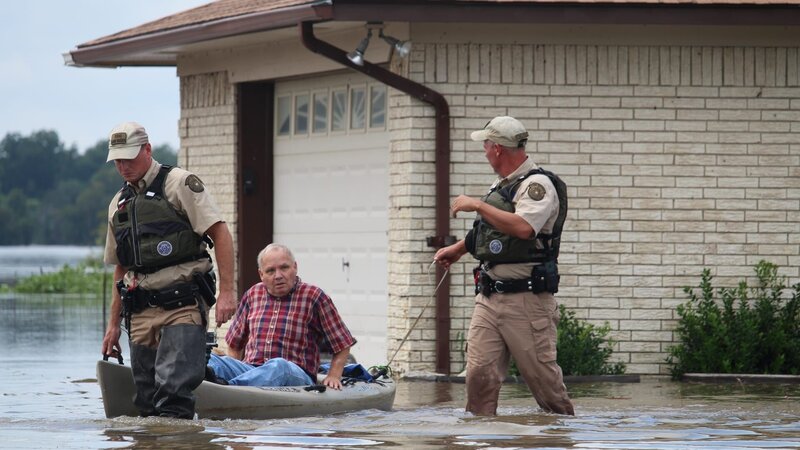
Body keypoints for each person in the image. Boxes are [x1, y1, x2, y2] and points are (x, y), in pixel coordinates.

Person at [434, 116, 575, 416]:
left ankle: (561, 435)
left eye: (485, 145)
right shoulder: (501, 185)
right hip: (488, 297)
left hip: (527, 301)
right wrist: (459, 249)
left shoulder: (537, 185)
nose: (484, 151)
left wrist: (477, 204)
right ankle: (482, 435)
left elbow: (524, 228)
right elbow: (491, 231)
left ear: (497, 148)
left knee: (546, 387)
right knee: (478, 378)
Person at [100, 121, 236, 419]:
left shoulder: (179, 184)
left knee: (173, 392)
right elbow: (121, 268)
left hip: (183, 304)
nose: (123, 166)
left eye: (129, 158)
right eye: (117, 161)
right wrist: (113, 326)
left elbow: (221, 233)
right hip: (140, 310)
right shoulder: (118, 204)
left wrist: (227, 292)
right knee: (146, 398)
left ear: (147, 149)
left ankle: (181, 438)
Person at [207, 243, 356, 390]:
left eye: (284, 268)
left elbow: (342, 343)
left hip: (295, 375)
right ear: (261, 274)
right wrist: (231, 369)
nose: (278, 276)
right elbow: (235, 344)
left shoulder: (314, 296)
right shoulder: (252, 295)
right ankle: (223, 387)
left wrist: (334, 375)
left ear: (295, 267)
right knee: (211, 359)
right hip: (251, 370)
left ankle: (230, 389)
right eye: (270, 271)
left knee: (279, 366)